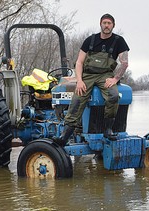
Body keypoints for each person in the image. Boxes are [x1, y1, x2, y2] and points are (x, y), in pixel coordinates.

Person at [54, 13, 130, 146]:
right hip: (87, 75)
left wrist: (114, 79)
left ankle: (108, 129)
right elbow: (79, 62)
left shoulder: (119, 41)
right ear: (100, 24)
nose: (106, 25)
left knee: (113, 95)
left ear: (113, 25)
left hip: (105, 75)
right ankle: (64, 136)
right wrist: (79, 80)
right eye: (104, 23)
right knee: (77, 99)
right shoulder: (90, 40)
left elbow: (124, 63)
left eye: (109, 23)